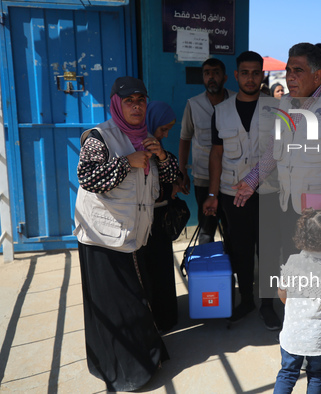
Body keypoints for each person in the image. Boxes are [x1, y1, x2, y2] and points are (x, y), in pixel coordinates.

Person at [74, 76, 178, 391]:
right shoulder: (99, 137)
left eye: (141, 100)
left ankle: (140, 363)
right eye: (129, 101)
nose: (136, 106)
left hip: (132, 234)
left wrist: (161, 155)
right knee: (116, 305)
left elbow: (172, 175)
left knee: (134, 300)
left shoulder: (146, 137)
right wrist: (126, 163)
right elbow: (87, 178)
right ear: (117, 104)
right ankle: (123, 370)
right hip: (102, 238)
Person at [238, 42, 321, 262]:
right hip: (289, 208)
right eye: (288, 70)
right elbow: (273, 149)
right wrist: (252, 180)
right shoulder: (285, 103)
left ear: (317, 76)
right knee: (295, 274)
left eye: (298, 70)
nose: (290, 77)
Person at [203, 51, 282, 330]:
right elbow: (216, 153)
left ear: (263, 75)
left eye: (255, 72)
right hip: (231, 192)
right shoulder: (221, 111)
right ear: (235, 76)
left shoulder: (276, 108)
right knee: (241, 249)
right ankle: (246, 299)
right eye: (245, 73)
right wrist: (212, 195)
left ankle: (268, 305)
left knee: (269, 249)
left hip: (269, 191)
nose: (250, 78)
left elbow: (281, 152)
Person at [274, 209, 321, 394]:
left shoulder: (292, 261)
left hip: (292, 334)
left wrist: (291, 306)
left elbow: (282, 292)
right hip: (317, 338)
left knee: (287, 374)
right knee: (316, 375)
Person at [179, 58, 233, 244]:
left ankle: (232, 270)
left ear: (225, 77)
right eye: (207, 73)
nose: (211, 77)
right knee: (206, 231)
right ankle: (208, 270)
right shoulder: (193, 104)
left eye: (216, 72)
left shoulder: (236, 101)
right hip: (203, 177)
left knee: (232, 230)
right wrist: (182, 170)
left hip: (232, 178)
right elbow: (185, 138)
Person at [142, 100, 180, 333]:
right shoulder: (134, 146)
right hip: (141, 219)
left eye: (168, 130)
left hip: (160, 220)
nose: (165, 134)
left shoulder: (159, 149)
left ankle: (166, 318)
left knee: (163, 270)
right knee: (147, 271)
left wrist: (162, 156)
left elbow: (173, 175)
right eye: (162, 129)